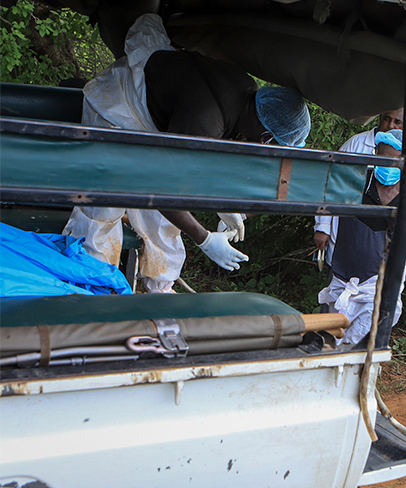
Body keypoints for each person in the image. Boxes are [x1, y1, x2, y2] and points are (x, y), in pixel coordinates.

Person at [63, 14, 310, 292]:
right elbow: (162, 187)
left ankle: (159, 290)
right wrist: (204, 239)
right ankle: (86, 288)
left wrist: (224, 201)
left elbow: (212, 154)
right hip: (117, 109)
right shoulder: (204, 119)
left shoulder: (247, 95)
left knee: (163, 223)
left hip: (157, 121)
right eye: (274, 147)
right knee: (104, 207)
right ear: (266, 137)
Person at [316, 130, 406, 346]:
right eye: (382, 158)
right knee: (328, 341)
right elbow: (322, 189)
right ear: (374, 154)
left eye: (395, 161)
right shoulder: (355, 183)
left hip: (379, 285)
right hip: (342, 279)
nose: (387, 166)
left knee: (362, 346)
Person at [314, 108, 405, 262]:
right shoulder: (356, 144)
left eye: (397, 122)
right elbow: (330, 185)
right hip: (345, 236)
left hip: (382, 244)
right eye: (387, 119)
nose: (391, 125)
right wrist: (323, 226)